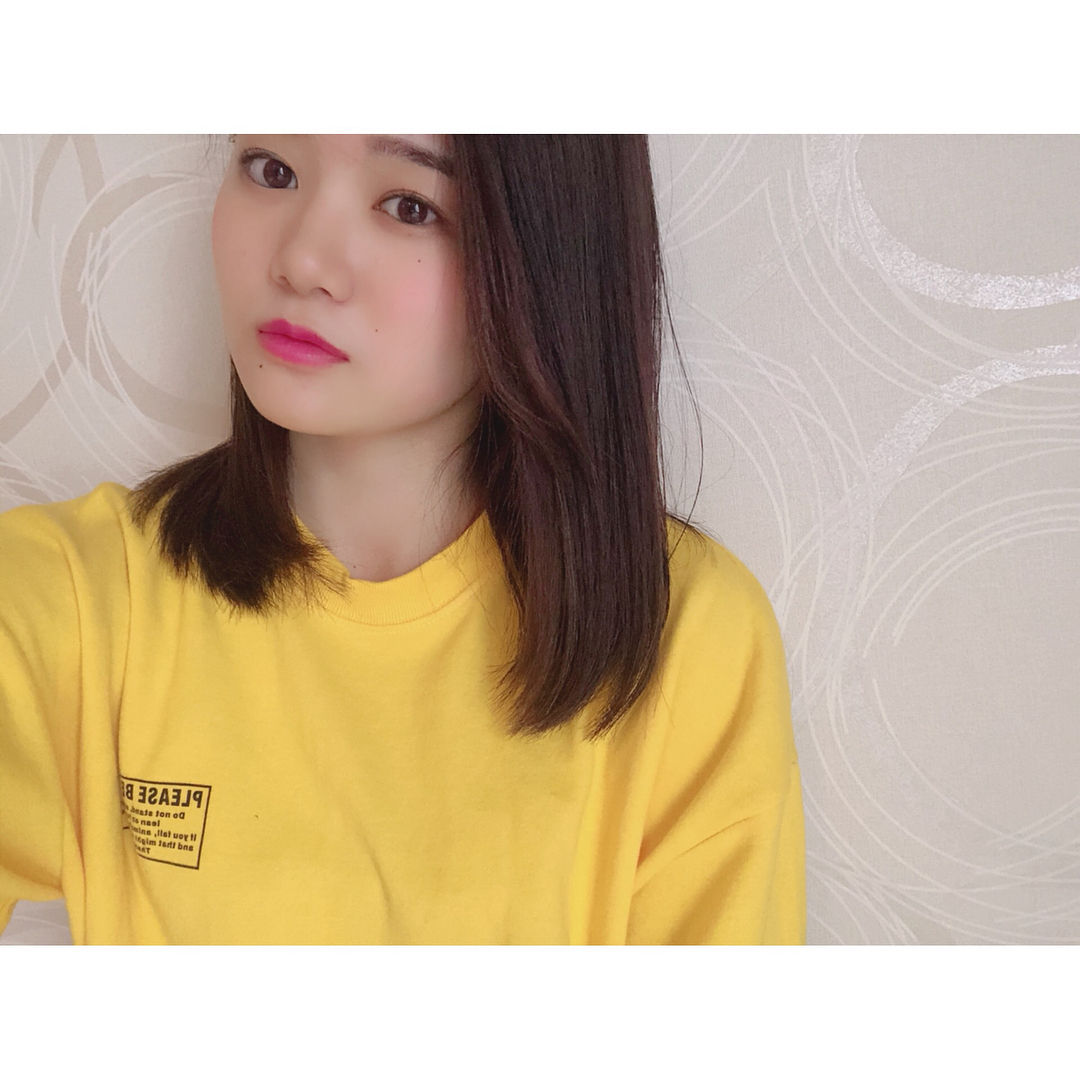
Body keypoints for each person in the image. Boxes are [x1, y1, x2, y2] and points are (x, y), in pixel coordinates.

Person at [0, 134, 805, 944]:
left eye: (409, 207)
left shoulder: (687, 638)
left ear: (545, 253)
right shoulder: (63, 602)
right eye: (272, 170)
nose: (302, 261)